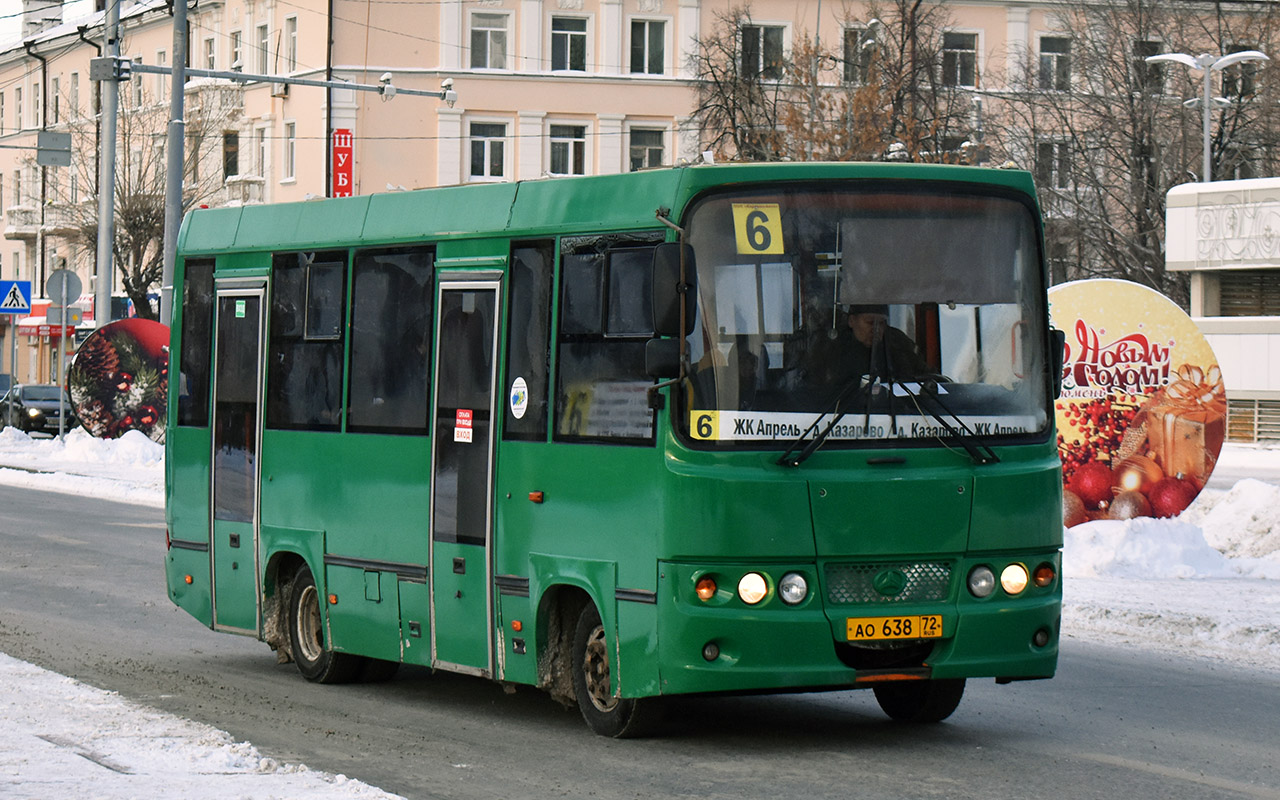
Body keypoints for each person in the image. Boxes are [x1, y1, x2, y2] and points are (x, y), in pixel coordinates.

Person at [841, 303, 930, 382]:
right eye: (870, 322)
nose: (876, 329)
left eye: (881, 323)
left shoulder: (899, 344)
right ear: (851, 321)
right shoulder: (836, 349)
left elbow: (928, 376)